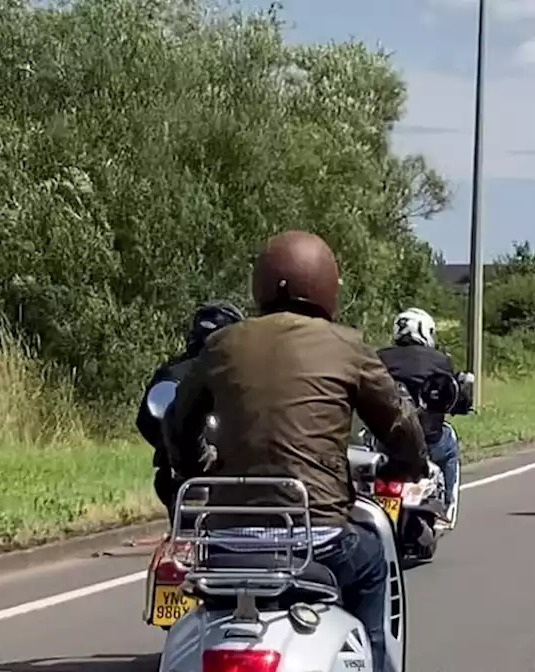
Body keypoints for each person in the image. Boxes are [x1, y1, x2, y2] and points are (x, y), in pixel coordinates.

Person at [165, 230, 428, 672]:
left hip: (228, 543)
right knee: (373, 567)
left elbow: (178, 424)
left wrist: (196, 468)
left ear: (262, 284)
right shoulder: (348, 345)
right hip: (318, 539)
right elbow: (400, 423)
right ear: (325, 284)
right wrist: (409, 463)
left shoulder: (222, 345)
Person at [136, 300, 244, 520]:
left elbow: (145, 421)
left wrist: (168, 448)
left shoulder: (170, 371)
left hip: (180, 476)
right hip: (233, 475)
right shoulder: (241, 371)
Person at [377, 307, 474, 531]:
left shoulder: (380, 356)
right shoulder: (440, 360)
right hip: (428, 440)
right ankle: (447, 508)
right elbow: (452, 393)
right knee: (449, 444)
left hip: (384, 440)